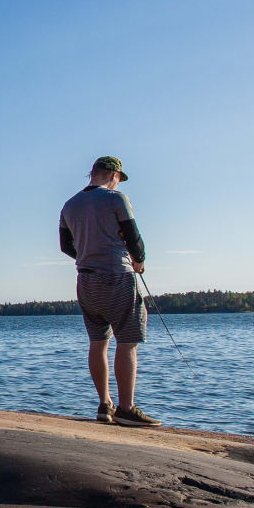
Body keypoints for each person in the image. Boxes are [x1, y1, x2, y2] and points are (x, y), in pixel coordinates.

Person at [58, 156, 160, 426]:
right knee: (127, 342)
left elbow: (65, 246)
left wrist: (88, 254)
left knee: (97, 342)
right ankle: (127, 407)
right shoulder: (117, 199)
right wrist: (138, 259)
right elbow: (133, 235)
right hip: (117, 276)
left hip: (86, 279)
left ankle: (105, 404)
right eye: (118, 178)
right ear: (113, 174)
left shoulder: (69, 205)